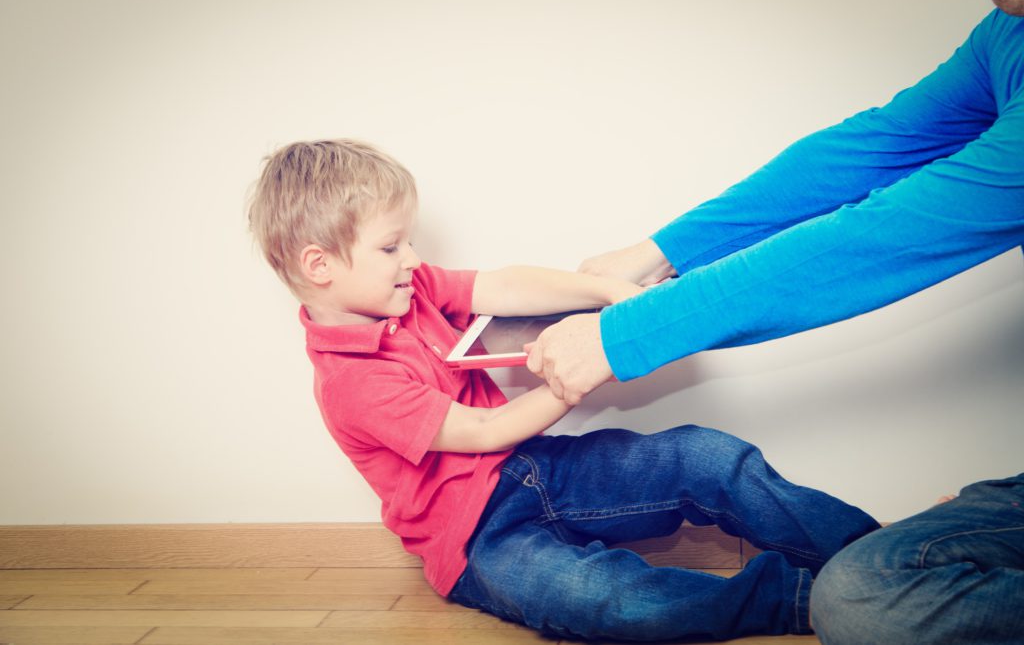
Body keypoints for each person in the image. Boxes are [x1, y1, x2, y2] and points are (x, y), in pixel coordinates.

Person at [525, 0, 1024, 642]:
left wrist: (622, 337)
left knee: (863, 603)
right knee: (870, 582)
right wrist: (655, 254)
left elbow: (879, 236)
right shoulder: (1012, 31)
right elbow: (876, 146)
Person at [247, 138, 879, 641]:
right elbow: (483, 432)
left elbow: (504, 286)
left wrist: (605, 292)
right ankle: (797, 600)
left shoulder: (406, 294)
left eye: (408, 241)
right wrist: (578, 371)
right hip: (477, 539)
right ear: (319, 265)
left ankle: (880, 555)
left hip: (538, 469)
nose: (412, 259)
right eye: (391, 246)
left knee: (706, 457)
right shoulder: (351, 382)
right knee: (607, 602)